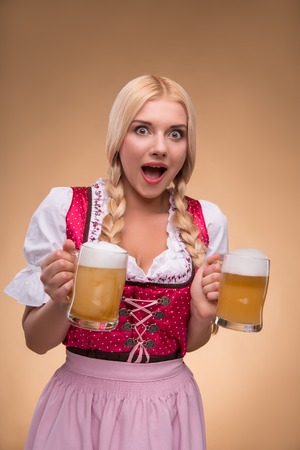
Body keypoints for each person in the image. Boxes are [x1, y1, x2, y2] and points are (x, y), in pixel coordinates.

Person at [5, 75, 228, 450]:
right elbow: (35, 342)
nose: (160, 148)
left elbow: (190, 342)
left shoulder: (208, 221)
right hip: (80, 406)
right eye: (142, 129)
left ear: (188, 147)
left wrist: (203, 316)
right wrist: (63, 300)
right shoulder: (67, 209)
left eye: (176, 134)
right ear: (117, 140)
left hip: (169, 406)